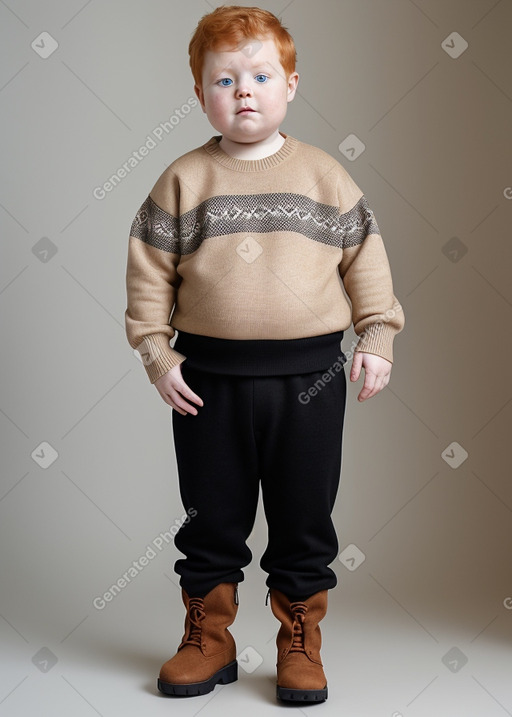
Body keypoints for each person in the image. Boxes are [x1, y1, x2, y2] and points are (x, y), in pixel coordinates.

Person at [124, 4, 404, 704]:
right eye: (224, 80)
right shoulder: (183, 180)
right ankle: (208, 637)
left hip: (310, 379)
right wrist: (157, 355)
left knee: (304, 513)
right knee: (211, 514)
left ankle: (299, 640)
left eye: (259, 75)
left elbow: (366, 262)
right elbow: (149, 272)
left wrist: (378, 337)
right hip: (208, 382)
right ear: (200, 96)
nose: (243, 91)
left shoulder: (325, 177)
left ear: (291, 85)